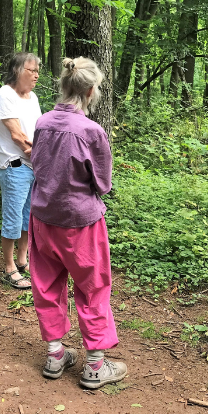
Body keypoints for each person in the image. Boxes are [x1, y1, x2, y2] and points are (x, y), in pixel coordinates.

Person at [29, 57, 126, 389]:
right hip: (81, 224)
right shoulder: (91, 131)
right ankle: (96, 366)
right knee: (93, 287)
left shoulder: (42, 122)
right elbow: (103, 183)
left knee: (46, 284)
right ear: (89, 90)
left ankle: (55, 354)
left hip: (43, 218)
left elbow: (37, 165)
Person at [0, 52, 43, 289]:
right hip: (16, 165)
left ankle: (23, 260)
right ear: (16, 71)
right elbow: (18, 136)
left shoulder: (32, 97)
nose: (36, 75)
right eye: (31, 70)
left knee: (27, 216)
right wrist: (41, 157)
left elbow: (38, 130)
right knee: (12, 217)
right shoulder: (5, 95)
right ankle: (9, 267)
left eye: (37, 70)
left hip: (34, 166)